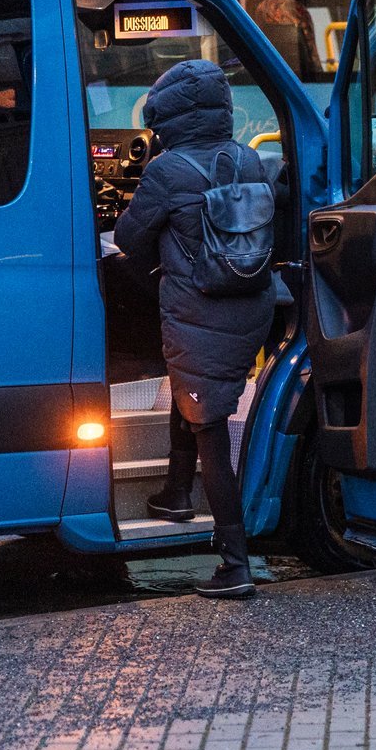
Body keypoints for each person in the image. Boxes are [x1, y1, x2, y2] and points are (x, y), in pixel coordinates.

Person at [113, 59, 282, 599]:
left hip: (199, 314)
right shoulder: (249, 159)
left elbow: (129, 237)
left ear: (170, 116)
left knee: (210, 430)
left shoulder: (166, 170)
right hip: (250, 309)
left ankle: (235, 563)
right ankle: (177, 493)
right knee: (192, 396)